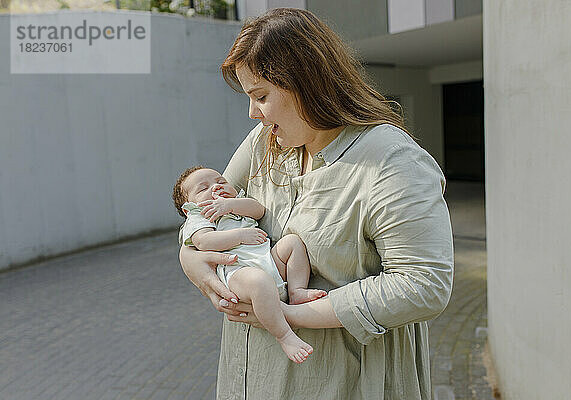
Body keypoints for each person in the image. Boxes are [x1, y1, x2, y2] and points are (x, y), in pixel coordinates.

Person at [179, 8, 454, 399]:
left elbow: (424, 285)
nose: (252, 113)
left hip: (343, 382)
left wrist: (286, 314)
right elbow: (205, 208)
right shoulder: (264, 141)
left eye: (261, 96)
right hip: (251, 377)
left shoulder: (392, 160)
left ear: (306, 82)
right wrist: (190, 259)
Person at [172, 165, 327, 363]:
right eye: (203, 189)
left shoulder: (236, 203)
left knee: (292, 243)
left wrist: (229, 205)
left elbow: (259, 210)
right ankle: (285, 336)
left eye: (220, 181)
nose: (215, 188)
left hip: (269, 261)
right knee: (259, 281)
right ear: (188, 207)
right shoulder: (198, 216)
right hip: (238, 271)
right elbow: (204, 242)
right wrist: (240, 235)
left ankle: (297, 291)